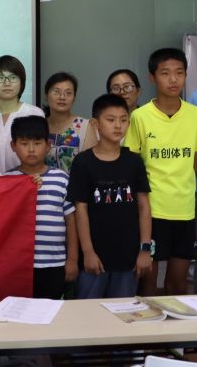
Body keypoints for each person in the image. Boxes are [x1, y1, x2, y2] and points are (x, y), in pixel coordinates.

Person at [124, 48, 197, 296]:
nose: (173, 79)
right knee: (147, 284)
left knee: (178, 283)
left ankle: (175, 323)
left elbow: (196, 165)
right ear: (152, 77)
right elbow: (134, 165)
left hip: (184, 210)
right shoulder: (140, 117)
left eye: (179, 73)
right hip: (151, 211)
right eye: (165, 73)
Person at [69, 94, 152, 299]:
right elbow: (80, 209)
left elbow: (143, 206)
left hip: (128, 257)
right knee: (88, 312)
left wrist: (145, 249)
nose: (118, 126)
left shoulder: (134, 161)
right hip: (94, 258)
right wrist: (88, 252)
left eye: (123, 120)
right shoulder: (83, 162)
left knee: (122, 311)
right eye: (111, 119)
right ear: (95, 124)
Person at [6, 115, 77, 299]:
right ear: (13, 146)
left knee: (49, 310)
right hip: (17, 264)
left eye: (37, 143)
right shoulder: (7, 181)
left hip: (54, 263)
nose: (31, 149)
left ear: (48, 145)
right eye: (24, 143)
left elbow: (71, 222)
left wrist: (72, 260)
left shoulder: (61, 179)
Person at [0, 55, 44, 173]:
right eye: (0, 78)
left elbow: (40, 152)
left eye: (13, 77)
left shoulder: (34, 113)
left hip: (25, 180)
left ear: (21, 82)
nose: (7, 83)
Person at [44, 72, 97, 172]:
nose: (62, 97)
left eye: (68, 93)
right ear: (46, 95)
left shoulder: (84, 126)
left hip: (76, 182)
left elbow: (91, 167)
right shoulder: (39, 125)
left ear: (74, 97)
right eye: (56, 92)